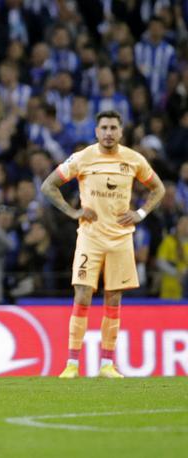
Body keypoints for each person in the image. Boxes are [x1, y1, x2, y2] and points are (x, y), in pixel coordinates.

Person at [40, 110, 166, 379]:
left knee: (114, 299)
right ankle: (72, 364)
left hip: (120, 238)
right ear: (96, 131)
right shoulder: (83, 157)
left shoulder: (133, 160)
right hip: (91, 237)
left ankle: (107, 365)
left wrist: (141, 213)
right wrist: (72, 212)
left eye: (113, 128)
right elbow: (49, 186)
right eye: (104, 128)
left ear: (121, 132)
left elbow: (159, 189)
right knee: (83, 296)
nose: (108, 132)